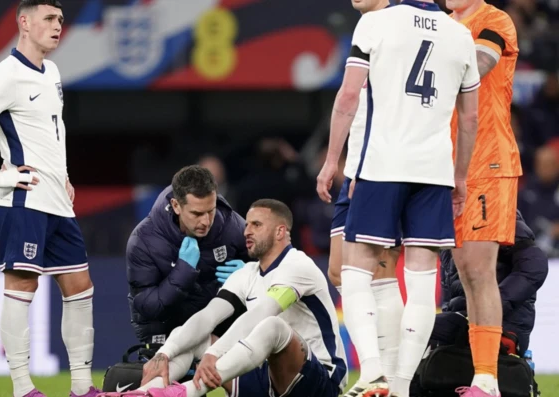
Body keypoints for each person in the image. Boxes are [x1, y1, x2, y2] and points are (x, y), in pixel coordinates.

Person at [316, 1, 480, 396]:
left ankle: (372, 371)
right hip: (434, 172)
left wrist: (330, 162)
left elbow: (348, 96)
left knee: (355, 272)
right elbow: (470, 117)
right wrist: (459, 176)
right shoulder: (460, 34)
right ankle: (403, 386)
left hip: (380, 166)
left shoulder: (376, 22)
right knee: (422, 284)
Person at [0, 1, 99, 397]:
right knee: (21, 286)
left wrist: (64, 175)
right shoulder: (7, 74)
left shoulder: (51, 71)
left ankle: (82, 387)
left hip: (56, 200)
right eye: (49, 19)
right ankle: (22, 387)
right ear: (24, 22)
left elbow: (56, 129)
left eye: (61, 20)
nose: (57, 26)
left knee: (81, 287)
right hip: (25, 199)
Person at [110, 199, 347, 397]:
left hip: (320, 382)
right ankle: (144, 392)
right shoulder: (247, 273)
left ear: (280, 231)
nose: (246, 231)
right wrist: (165, 352)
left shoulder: (298, 266)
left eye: (256, 224)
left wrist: (215, 354)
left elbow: (262, 314)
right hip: (267, 379)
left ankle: (187, 391)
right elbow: (207, 317)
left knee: (273, 325)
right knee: (195, 337)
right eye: (247, 225)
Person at [325, 0, 404, 384]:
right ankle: (379, 373)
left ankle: (384, 375)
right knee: (340, 270)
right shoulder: (367, 27)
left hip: (379, 168)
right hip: (359, 164)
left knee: (378, 269)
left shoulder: (388, 28)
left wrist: (338, 162)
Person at [446, 0, 521, 395]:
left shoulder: (495, 20)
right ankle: (481, 375)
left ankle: (487, 379)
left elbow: (482, 62)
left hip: (487, 163)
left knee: (478, 272)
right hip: (447, 166)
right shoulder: (441, 23)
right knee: (466, 276)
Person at [126, 165, 250, 345]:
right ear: (176, 206)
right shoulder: (143, 240)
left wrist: (249, 274)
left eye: (210, 211)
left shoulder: (232, 224)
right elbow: (148, 307)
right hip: (167, 332)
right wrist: (184, 270)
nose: (206, 221)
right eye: (197, 214)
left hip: (219, 328)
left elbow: (273, 268)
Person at [435, 210, 548, 355]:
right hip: (464, 320)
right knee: (415, 330)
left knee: (416, 331)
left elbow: (535, 266)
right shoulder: (450, 226)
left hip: (503, 324)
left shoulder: (497, 214)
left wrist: (490, 307)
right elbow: (450, 290)